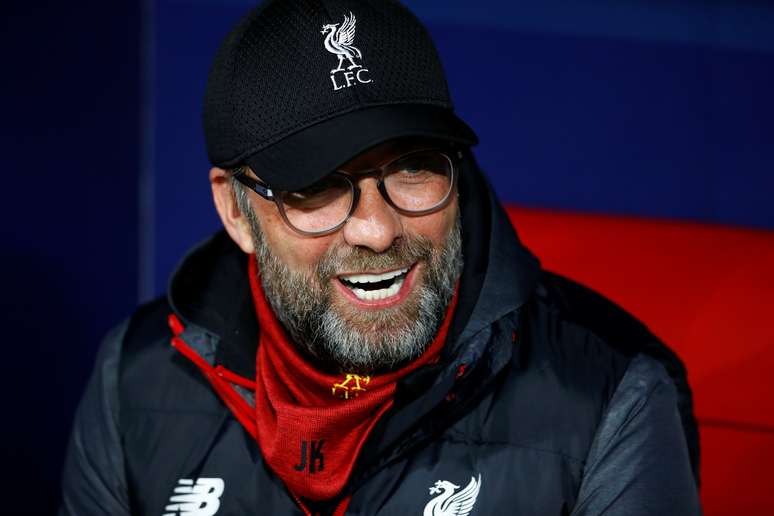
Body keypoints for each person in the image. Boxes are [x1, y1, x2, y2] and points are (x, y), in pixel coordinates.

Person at [60, 0, 701, 514]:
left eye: (414, 167)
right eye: (316, 184)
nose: (375, 228)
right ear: (236, 211)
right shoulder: (134, 379)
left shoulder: (611, 392)